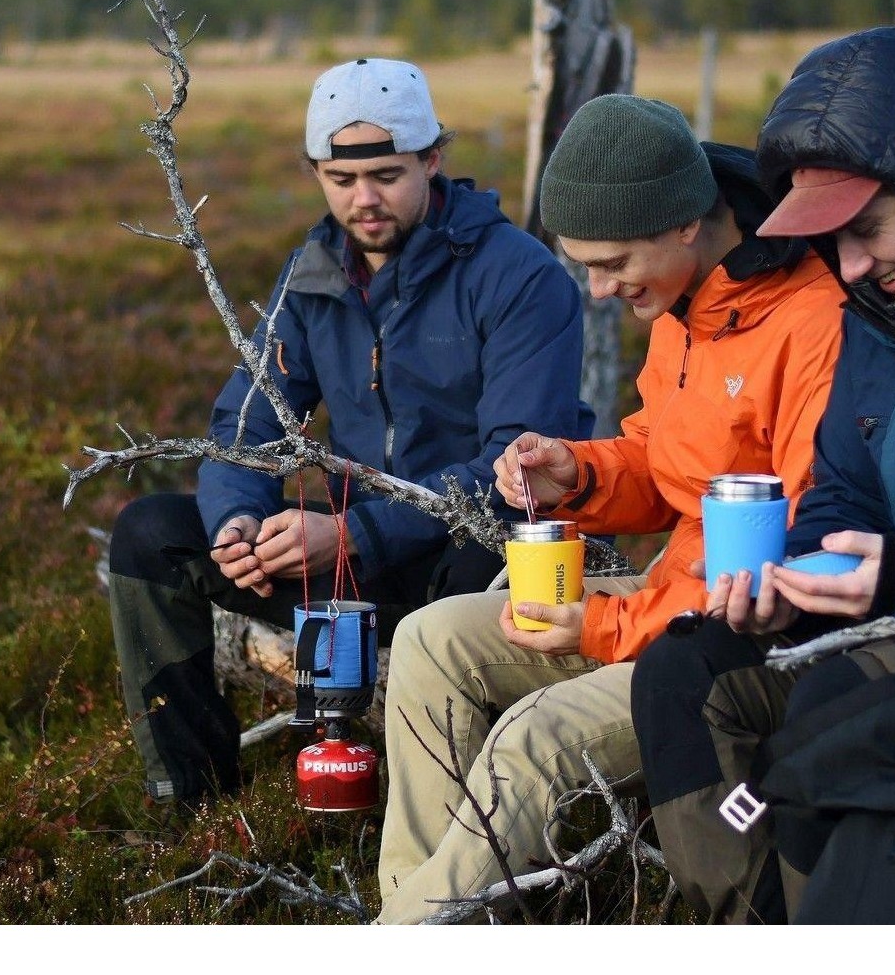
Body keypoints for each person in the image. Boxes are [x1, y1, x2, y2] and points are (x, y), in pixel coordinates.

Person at [375, 92, 845, 923]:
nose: (596, 290)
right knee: (429, 639)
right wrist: (580, 476)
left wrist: (602, 626)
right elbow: (671, 468)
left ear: (683, 225)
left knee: (535, 735)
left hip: (735, 648)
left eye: (611, 262)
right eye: (583, 264)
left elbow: (785, 561)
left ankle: (409, 933)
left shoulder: (812, 327)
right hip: (671, 599)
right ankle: (423, 910)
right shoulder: (687, 308)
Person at [107, 56, 596, 807]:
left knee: (485, 565)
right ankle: (192, 803)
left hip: (469, 560)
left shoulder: (520, 278)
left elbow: (518, 473)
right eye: (341, 181)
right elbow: (247, 424)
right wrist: (237, 522)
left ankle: (473, 811)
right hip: (347, 566)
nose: (364, 200)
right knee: (152, 535)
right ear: (316, 174)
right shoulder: (310, 277)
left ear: (433, 160)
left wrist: (356, 532)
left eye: (387, 176)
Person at [628, 25, 895, 923]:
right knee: (686, 676)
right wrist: (792, 577)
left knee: (829, 723)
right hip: (891, 620)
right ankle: (753, 922)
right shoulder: (875, 316)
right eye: (832, 244)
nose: (853, 268)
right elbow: (838, 488)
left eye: (867, 231)